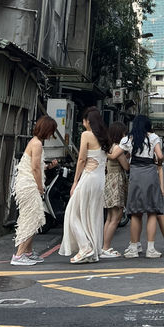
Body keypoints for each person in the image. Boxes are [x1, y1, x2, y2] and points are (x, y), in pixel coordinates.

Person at [59, 107, 110, 264]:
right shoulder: (104, 136)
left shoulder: (86, 135)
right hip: (100, 179)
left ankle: (84, 246)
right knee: (92, 215)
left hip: (88, 177)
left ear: (88, 121)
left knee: (72, 213)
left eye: (84, 120)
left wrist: (75, 182)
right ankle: (92, 252)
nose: (83, 123)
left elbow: (81, 159)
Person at [11, 115, 58, 266]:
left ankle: (28, 252)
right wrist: (40, 187)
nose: (52, 134)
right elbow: (35, 168)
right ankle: (19, 256)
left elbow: (36, 166)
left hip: (25, 184)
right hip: (29, 186)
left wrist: (48, 167)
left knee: (33, 218)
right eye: (52, 130)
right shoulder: (37, 144)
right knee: (32, 219)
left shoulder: (34, 142)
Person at [120, 114, 164, 258]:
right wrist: (158, 162)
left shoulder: (128, 139)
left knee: (135, 213)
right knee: (152, 211)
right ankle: (150, 249)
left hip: (136, 174)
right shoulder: (153, 137)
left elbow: (117, 153)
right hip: (150, 173)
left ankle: (133, 248)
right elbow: (160, 155)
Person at [100, 121, 130, 258]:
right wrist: (127, 157)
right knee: (116, 217)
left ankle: (104, 247)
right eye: (124, 133)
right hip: (117, 181)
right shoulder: (118, 148)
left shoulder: (109, 146)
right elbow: (126, 167)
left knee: (109, 217)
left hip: (109, 180)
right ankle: (106, 248)